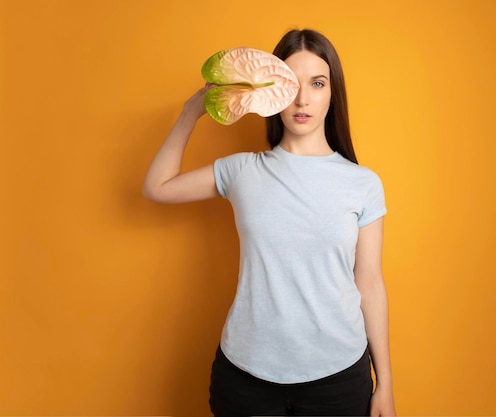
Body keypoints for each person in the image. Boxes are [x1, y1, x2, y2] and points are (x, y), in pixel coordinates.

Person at [143, 28, 396, 417]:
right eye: (290, 83)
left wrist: (386, 385)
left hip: (338, 378)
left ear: (333, 92)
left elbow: (370, 282)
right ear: (269, 91)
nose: (302, 98)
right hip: (246, 378)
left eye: (317, 83)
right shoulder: (243, 170)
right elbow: (157, 187)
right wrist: (191, 112)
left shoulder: (362, 183)